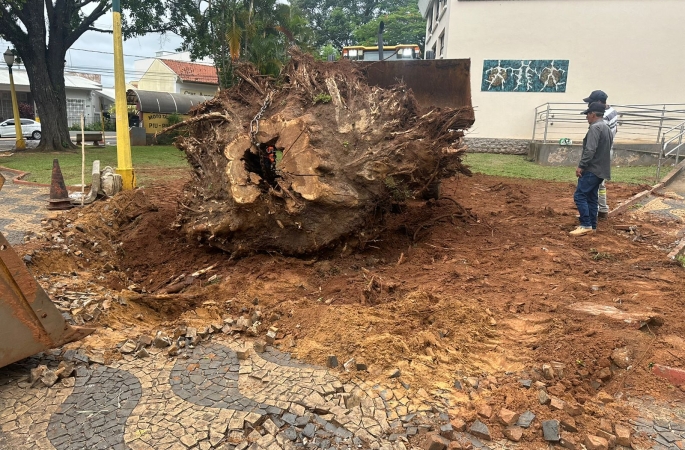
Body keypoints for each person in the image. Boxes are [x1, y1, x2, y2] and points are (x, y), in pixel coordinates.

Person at [570, 101, 613, 236]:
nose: (586, 117)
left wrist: (581, 166)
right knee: (592, 197)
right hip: (601, 170)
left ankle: (586, 224)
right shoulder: (606, 128)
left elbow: (590, 150)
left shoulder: (595, 128)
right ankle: (592, 225)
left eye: (587, 114)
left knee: (580, 195)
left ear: (593, 114)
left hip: (592, 169)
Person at [583, 90, 618, 219]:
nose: (589, 106)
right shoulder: (613, 112)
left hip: (600, 151)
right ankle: (602, 208)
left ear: (598, 102)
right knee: (600, 182)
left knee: (593, 181)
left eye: (591, 102)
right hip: (608, 149)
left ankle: (595, 211)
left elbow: (598, 137)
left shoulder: (602, 118)